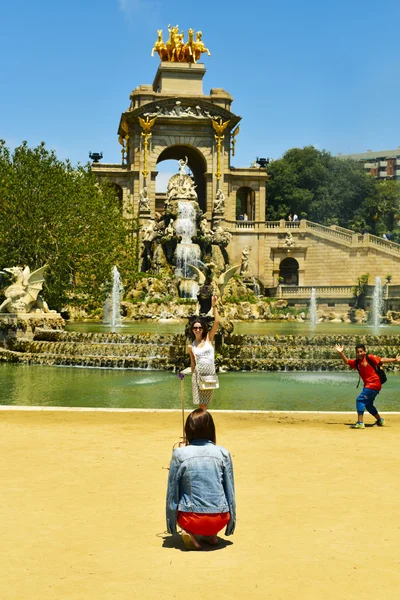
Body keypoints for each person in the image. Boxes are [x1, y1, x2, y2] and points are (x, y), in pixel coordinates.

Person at [166, 409, 236, 550]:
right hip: (220, 518)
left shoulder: (179, 454)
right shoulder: (223, 453)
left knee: (183, 492)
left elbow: (172, 493)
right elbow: (230, 491)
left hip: (192, 518)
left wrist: (171, 525)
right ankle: (211, 534)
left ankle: (189, 532)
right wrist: (231, 524)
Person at [334, 343, 400, 428]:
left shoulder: (370, 357)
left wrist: (395, 360)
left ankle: (360, 423)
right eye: (358, 352)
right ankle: (380, 420)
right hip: (372, 386)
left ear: (365, 352)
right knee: (368, 404)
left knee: (360, 400)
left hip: (373, 384)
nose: (360, 353)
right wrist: (341, 353)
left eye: (361, 351)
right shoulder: (357, 362)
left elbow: (381, 360)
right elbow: (347, 362)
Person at [187, 296, 219, 410]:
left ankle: (203, 422)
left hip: (209, 372)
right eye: (195, 328)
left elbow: (217, 322)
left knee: (206, 402)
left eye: (200, 327)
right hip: (198, 373)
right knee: (200, 403)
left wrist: (213, 305)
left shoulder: (208, 339)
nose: (198, 330)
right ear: (192, 330)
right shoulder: (191, 346)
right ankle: (201, 423)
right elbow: (193, 363)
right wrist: (192, 376)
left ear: (203, 329)